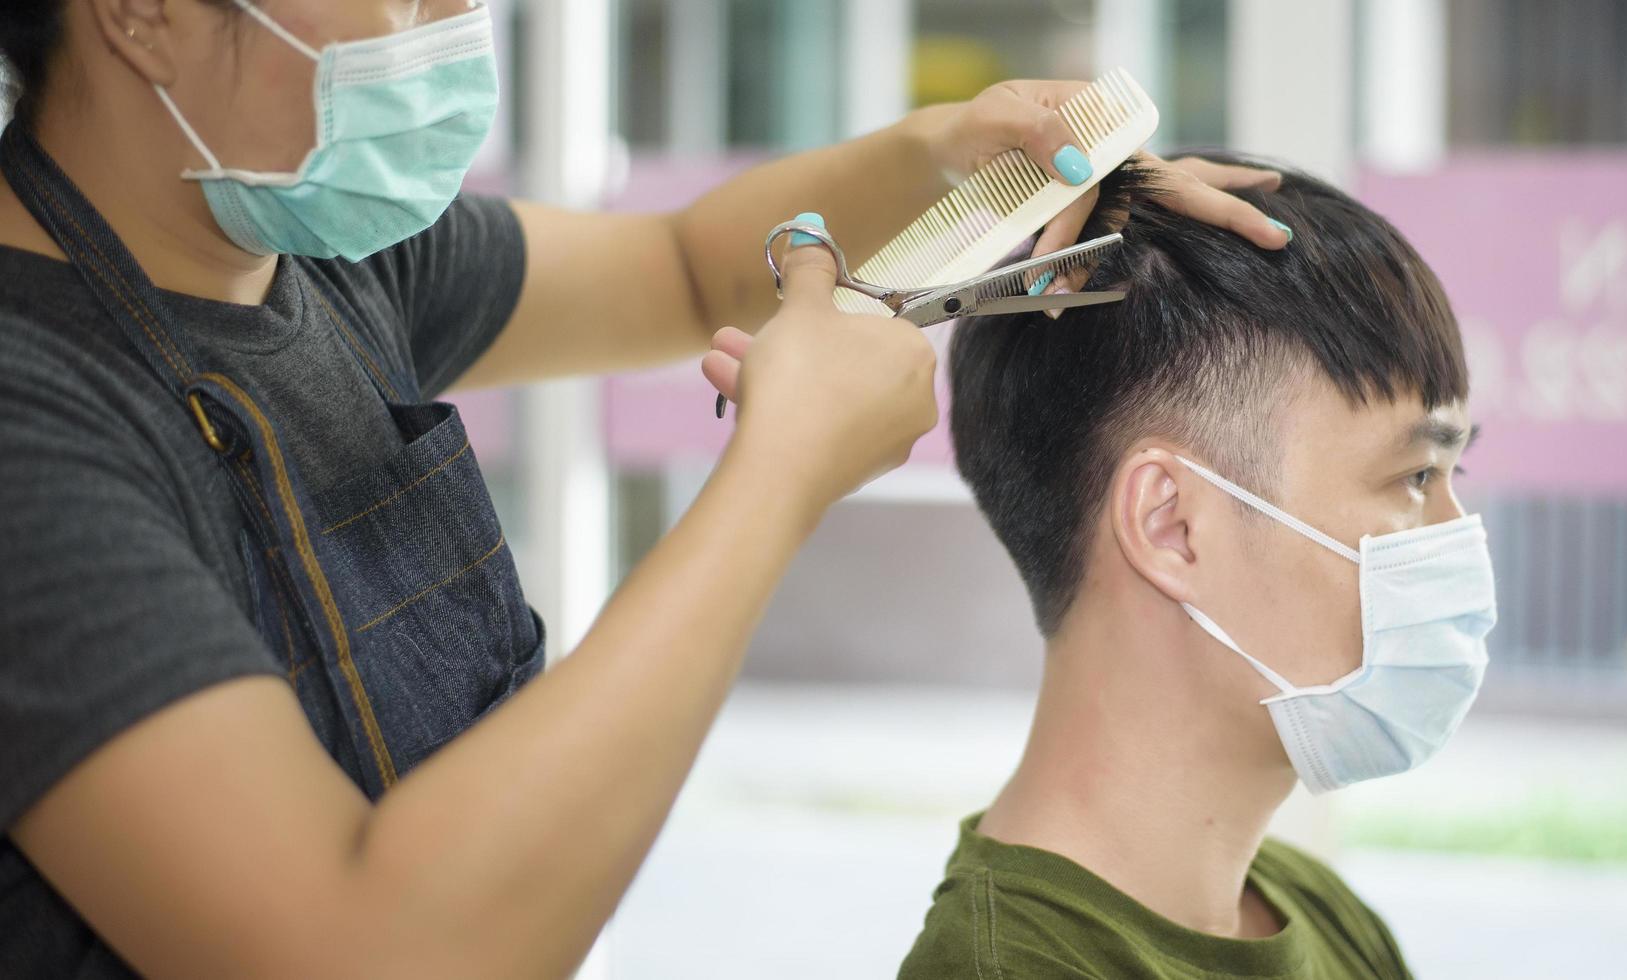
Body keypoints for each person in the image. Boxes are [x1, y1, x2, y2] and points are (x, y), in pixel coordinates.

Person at [0, 1, 1298, 975]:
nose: (445, 31)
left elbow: (682, 272)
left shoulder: (318, 257)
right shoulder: (32, 423)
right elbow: (365, 950)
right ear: (144, 15)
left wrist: (947, 151)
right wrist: (775, 477)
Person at [897, 157, 1496, 980]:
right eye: (1416, 477)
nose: (1457, 537)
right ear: (1172, 524)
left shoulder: (1321, 911)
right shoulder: (1006, 969)